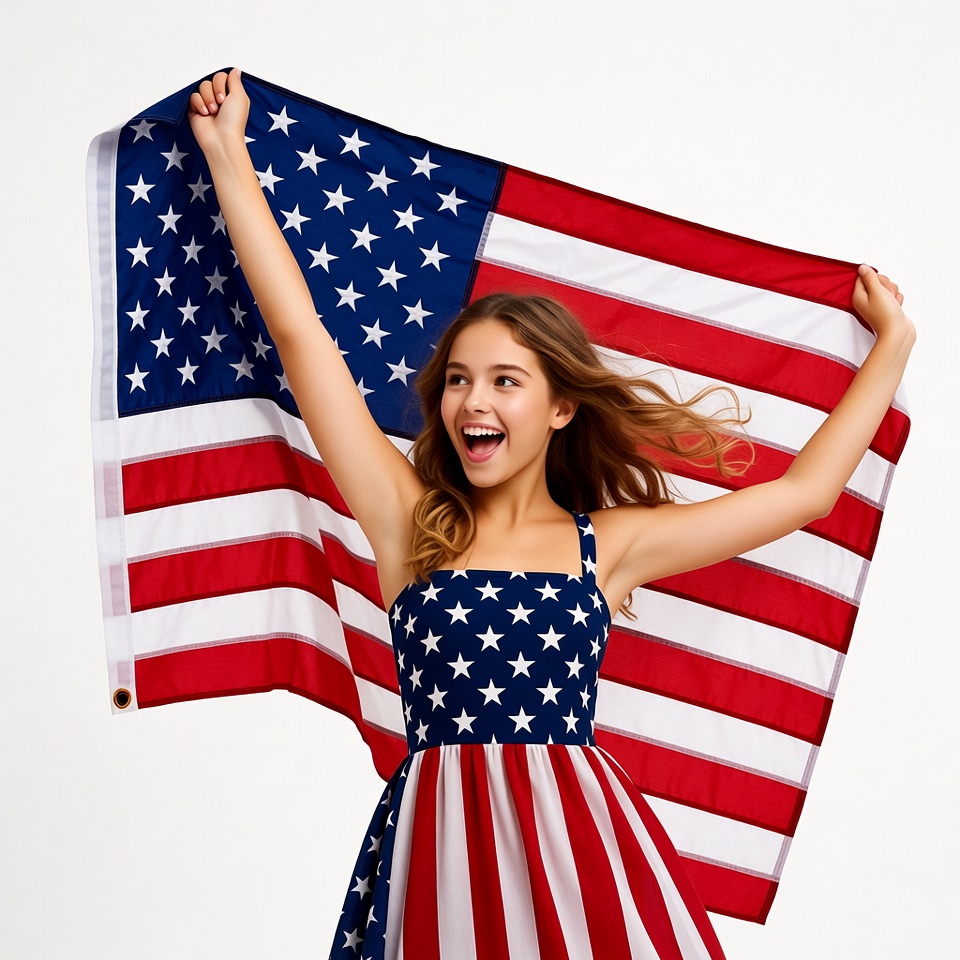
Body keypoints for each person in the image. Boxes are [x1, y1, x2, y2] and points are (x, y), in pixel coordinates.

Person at [188, 69, 915, 960]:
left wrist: (894, 346)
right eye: (457, 379)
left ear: (561, 407)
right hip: (438, 858)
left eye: (504, 381)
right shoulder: (409, 522)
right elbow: (299, 334)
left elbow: (805, 495)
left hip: (584, 855)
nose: (471, 401)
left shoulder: (606, 546)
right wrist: (229, 156)